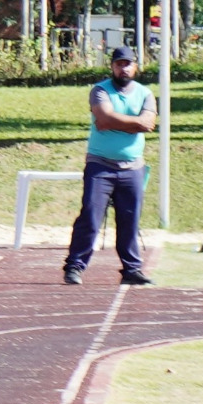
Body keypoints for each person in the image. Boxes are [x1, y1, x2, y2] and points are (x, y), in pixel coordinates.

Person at [62, 46, 158, 287]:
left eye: (127, 64)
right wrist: (135, 123)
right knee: (91, 217)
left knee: (130, 220)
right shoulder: (100, 90)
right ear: (112, 66)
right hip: (100, 165)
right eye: (119, 64)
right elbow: (103, 118)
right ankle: (74, 266)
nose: (123, 68)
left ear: (135, 66)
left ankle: (131, 269)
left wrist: (117, 122)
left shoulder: (145, 94)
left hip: (133, 168)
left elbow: (148, 124)